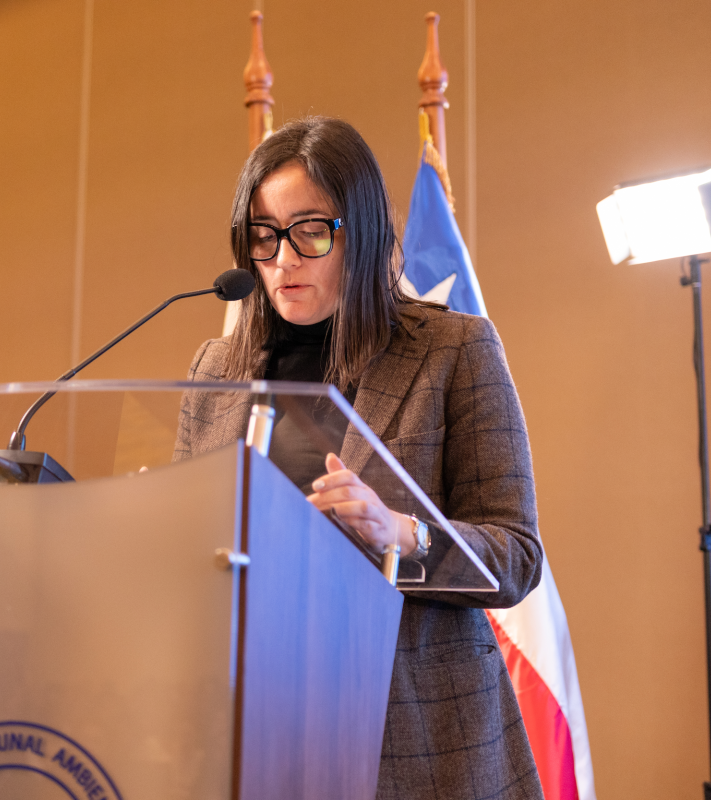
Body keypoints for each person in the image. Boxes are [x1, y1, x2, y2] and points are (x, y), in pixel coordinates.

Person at [174, 116, 544, 800]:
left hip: (417, 735)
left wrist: (399, 533)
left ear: (362, 232)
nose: (283, 259)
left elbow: (517, 557)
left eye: (310, 231)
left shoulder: (454, 350)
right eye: (264, 235)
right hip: (259, 726)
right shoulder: (216, 369)